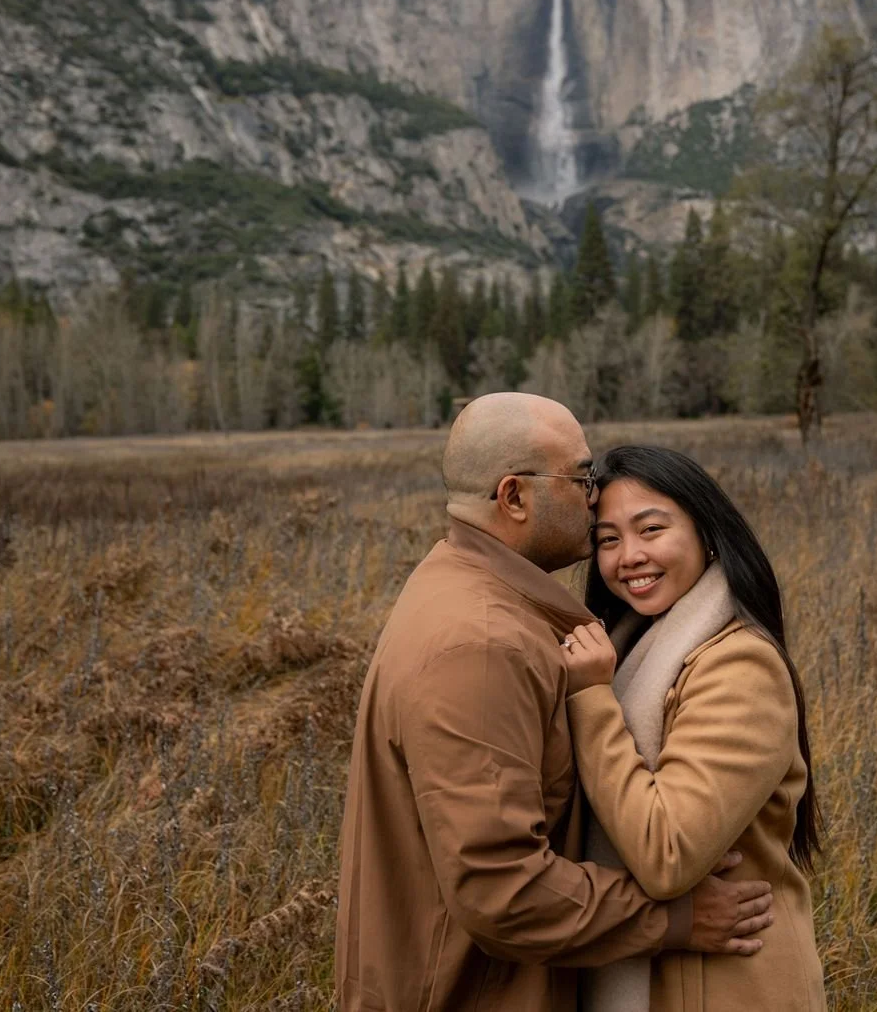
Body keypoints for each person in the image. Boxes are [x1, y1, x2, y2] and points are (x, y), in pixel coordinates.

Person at [335, 394, 776, 1012]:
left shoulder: (465, 593)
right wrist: (674, 920)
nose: (594, 496)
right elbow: (501, 891)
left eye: (651, 528)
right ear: (513, 496)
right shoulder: (483, 643)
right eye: (580, 477)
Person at [560, 444, 827, 1012]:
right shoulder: (630, 648)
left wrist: (589, 699)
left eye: (650, 529)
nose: (628, 556)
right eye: (607, 539)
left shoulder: (739, 666)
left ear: (706, 532)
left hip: (729, 985)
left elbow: (667, 852)